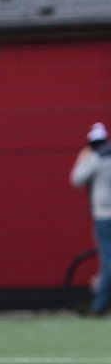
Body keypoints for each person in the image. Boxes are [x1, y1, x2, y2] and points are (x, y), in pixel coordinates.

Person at [70, 121, 111, 315]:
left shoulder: (94, 158)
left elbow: (76, 179)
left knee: (107, 262)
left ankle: (99, 305)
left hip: (103, 216)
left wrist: (82, 159)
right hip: (103, 215)